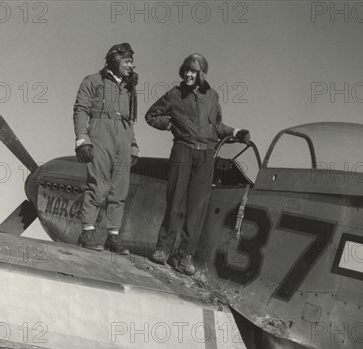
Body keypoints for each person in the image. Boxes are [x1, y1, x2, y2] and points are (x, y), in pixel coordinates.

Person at [145, 53, 250, 275]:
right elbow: (151, 115)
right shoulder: (174, 94)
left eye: (192, 71)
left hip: (206, 156)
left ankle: (185, 256)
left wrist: (236, 132)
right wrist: (170, 125)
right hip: (183, 150)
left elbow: (217, 127)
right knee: (175, 202)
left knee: (197, 208)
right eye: (185, 70)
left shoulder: (213, 97)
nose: (188, 74)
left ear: (201, 74)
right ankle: (163, 250)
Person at [73, 43, 140, 254]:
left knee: (119, 189)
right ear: (114, 60)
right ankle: (88, 232)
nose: (131, 66)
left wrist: (133, 145)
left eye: (131, 62)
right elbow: (81, 110)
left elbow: (129, 119)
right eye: (127, 61)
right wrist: (82, 139)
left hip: (123, 136)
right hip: (100, 133)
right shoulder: (92, 81)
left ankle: (113, 236)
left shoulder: (128, 87)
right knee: (97, 184)